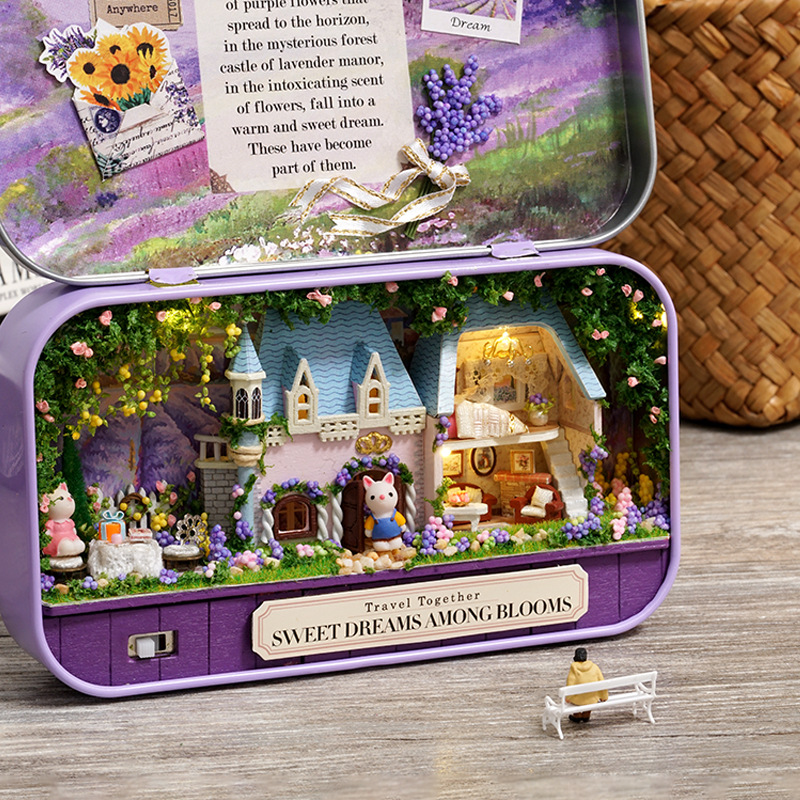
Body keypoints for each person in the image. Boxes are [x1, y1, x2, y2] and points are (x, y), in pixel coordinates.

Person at [566, 647, 607, 723]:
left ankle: (577, 715)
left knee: (576, 698)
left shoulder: (574, 669)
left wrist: (568, 697)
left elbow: (570, 684)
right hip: (592, 698)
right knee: (590, 696)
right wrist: (604, 696)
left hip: (578, 700)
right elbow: (602, 682)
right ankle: (586, 715)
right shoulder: (594, 667)